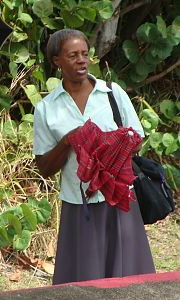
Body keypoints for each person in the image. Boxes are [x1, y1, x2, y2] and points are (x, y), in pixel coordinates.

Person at [33, 29, 155, 285]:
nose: (81, 60)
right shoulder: (47, 108)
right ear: (57, 61)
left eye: (85, 54)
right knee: (83, 281)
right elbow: (44, 167)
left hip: (121, 199)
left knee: (128, 279)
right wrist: (68, 141)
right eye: (73, 55)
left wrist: (109, 145)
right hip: (80, 206)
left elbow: (137, 140)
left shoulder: (112, 94)